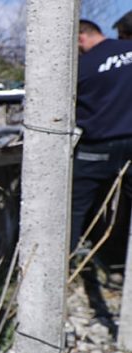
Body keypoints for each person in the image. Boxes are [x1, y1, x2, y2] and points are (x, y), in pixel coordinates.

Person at [70, 19, 132, 257]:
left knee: (75, 205)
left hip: (97, 146)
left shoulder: (83, 65)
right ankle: (122, 261)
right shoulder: (128, 49)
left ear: (81, 37)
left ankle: (68, 258)